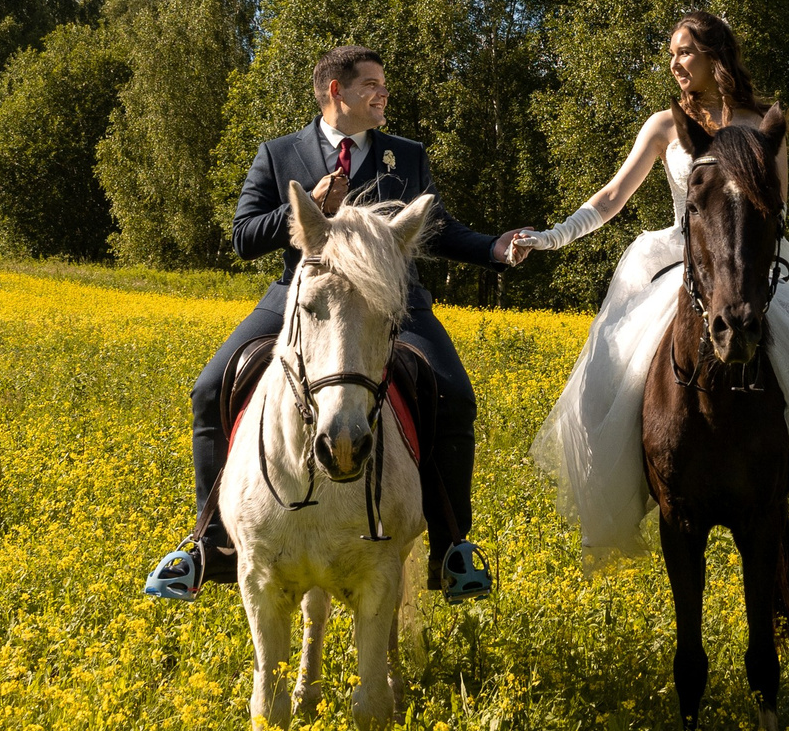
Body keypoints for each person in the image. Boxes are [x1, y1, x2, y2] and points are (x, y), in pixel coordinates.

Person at [510, 10, 789, 598]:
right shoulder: (662, 126)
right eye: (672, 54)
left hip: (748, 265)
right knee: (611, 368)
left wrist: (744, 269)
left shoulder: (759, 124)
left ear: (713, 54)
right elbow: (611, 198)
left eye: (684, 52)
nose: (675, 64)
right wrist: (550, 236)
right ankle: (631, 482)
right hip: (678, 261)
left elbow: (776, 211)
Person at [144, 44, 519, 602]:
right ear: (335, 92)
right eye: (371, 84)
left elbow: (436, 229)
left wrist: (493, 248)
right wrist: (304, 207)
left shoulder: (405, 156)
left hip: (393, 303)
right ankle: (209, 544)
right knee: (207, 389)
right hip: (302, 298)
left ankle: (451, 549)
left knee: (456, 396)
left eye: (384, 85)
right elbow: (243, 236)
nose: (383, 94)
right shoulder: (279, 154)